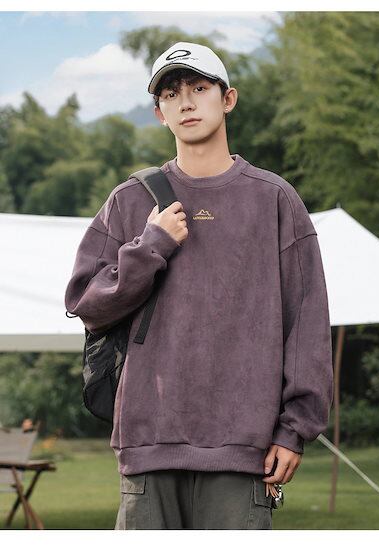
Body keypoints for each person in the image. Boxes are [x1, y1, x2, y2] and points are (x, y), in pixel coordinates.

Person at [64, 41, 334, 530]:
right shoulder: (129, 201)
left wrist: (294, 428)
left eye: (199, 88)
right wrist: (151, 245)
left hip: (243, 447)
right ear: (159, 113)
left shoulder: (275, 200)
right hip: (150, 443)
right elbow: (87, 303)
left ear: (227, 99)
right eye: (171, 94)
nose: (185, 102)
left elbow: (306, 323)